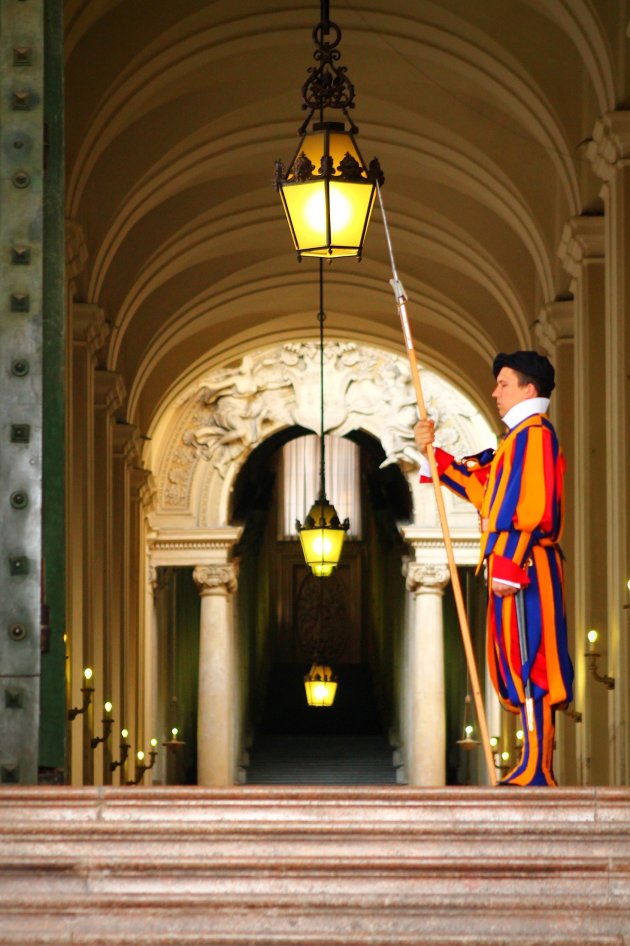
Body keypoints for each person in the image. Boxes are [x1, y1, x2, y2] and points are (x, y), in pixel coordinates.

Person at [414, 351, 574, 786]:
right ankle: (531, 761)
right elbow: (482, 485)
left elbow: (532, 506)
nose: (495, 392)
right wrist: (431, 452)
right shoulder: (515, 441)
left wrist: (508, 561)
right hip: (514, 565)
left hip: (523, 565)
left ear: (529, 389)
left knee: (530, 661)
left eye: (503, 384)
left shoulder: (535, 435)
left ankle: (537, 766)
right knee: (514, 663)